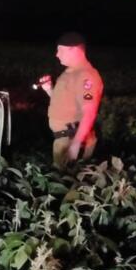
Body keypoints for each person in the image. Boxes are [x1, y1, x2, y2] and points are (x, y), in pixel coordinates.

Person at [39, 31, 103, 170]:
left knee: (69, 184)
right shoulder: (71, 72)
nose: (56, 54)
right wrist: (49, 90)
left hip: (73, 140)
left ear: (73, 50)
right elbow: (66, 105)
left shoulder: (86, 75)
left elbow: (89, 112)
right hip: (64, 140)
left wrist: (75, 145)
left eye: (59, 50)